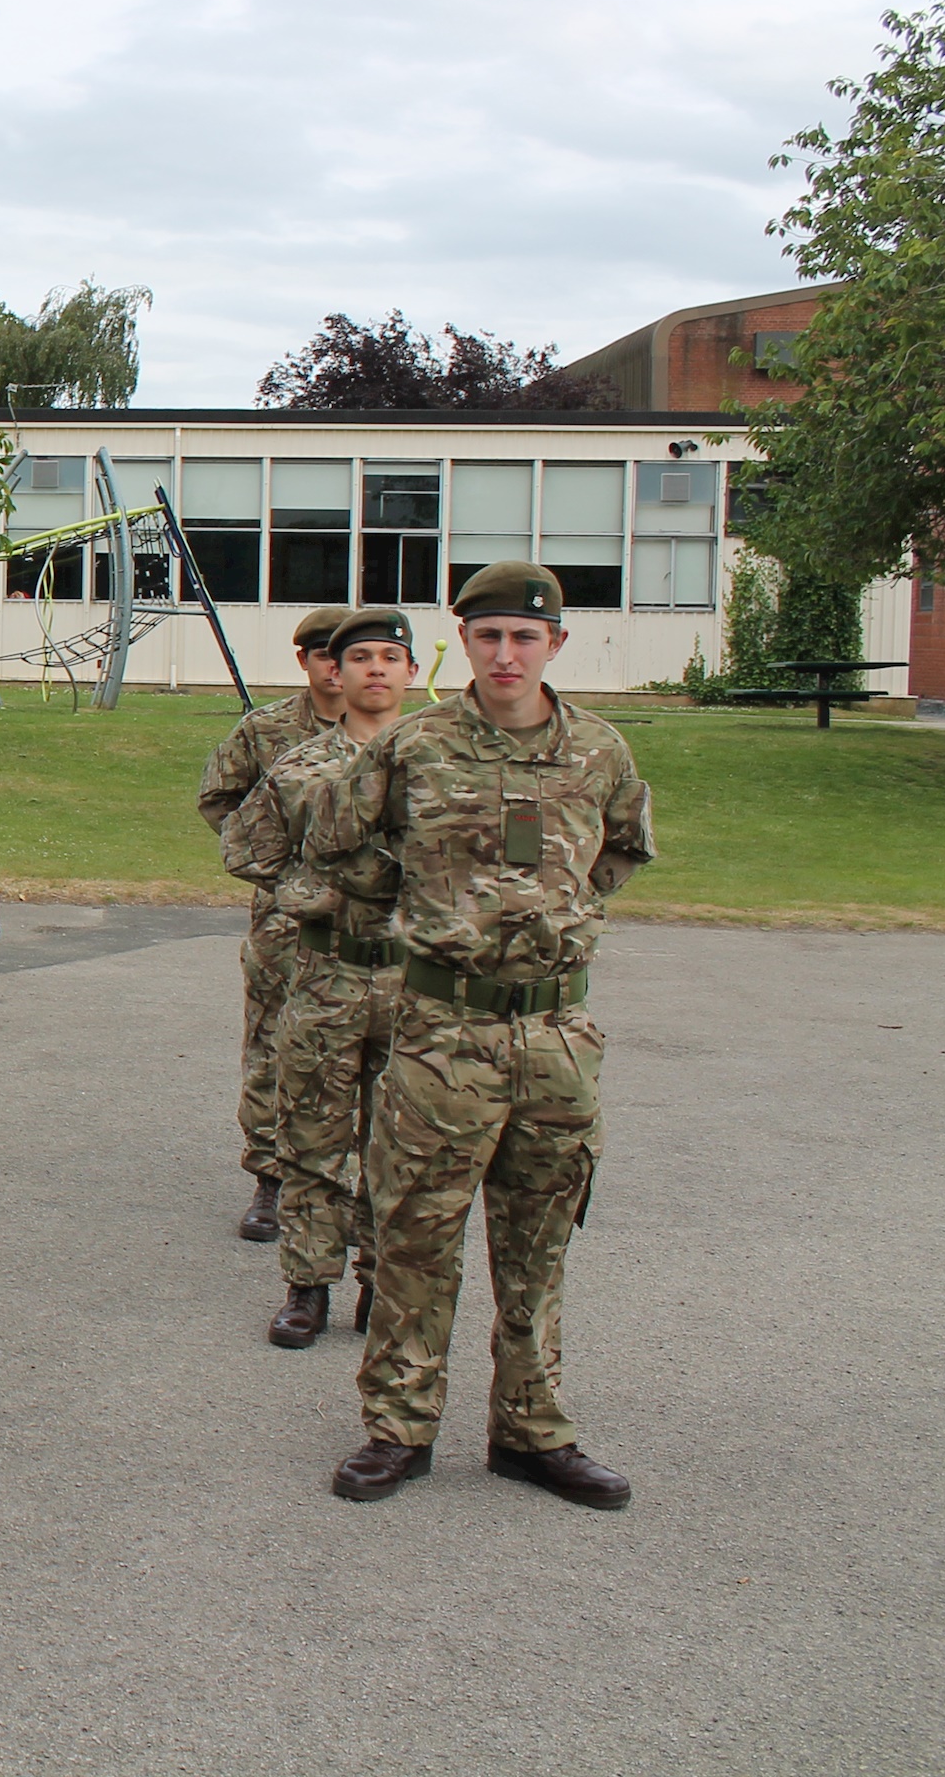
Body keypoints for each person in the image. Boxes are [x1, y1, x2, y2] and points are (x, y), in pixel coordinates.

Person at [307, 562, 652, 1508]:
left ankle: (531, 1432)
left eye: (525, 637)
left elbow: (620, 848)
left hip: (555, 1034)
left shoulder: (601, 751)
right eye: (489, 636)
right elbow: (337, 841)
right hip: (442, 1034)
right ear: (463, 643)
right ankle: (398, 1429)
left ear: (556, 645)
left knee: (540, 1242)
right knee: (417, 1234)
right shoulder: (414, 747)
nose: (507, 654)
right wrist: (432, 907)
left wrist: (546, 913)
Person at [219, 608, 415, 1350]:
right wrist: (311, 889)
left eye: (387, 657)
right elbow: (244, 848)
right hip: (328, 973)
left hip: (414, 980)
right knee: (312, 1134)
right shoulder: (301, 766)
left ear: (409, 671)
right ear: (336, 669)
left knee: (400, 1143)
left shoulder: (441, 764)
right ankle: (308, 1287)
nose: (371, 669)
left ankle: (380, 1281)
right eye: (358, 657)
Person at [197, 606, 353, 1241]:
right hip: (285, 925)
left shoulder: (406, 736)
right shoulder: (268, 731)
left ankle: (357, 1186)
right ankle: (269, 1177)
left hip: (375, 931)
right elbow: (219, 799)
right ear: (306, 661)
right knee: (272, 1044)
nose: (338, 669)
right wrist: (280, 868)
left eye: (352, 656)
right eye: (325, 655)